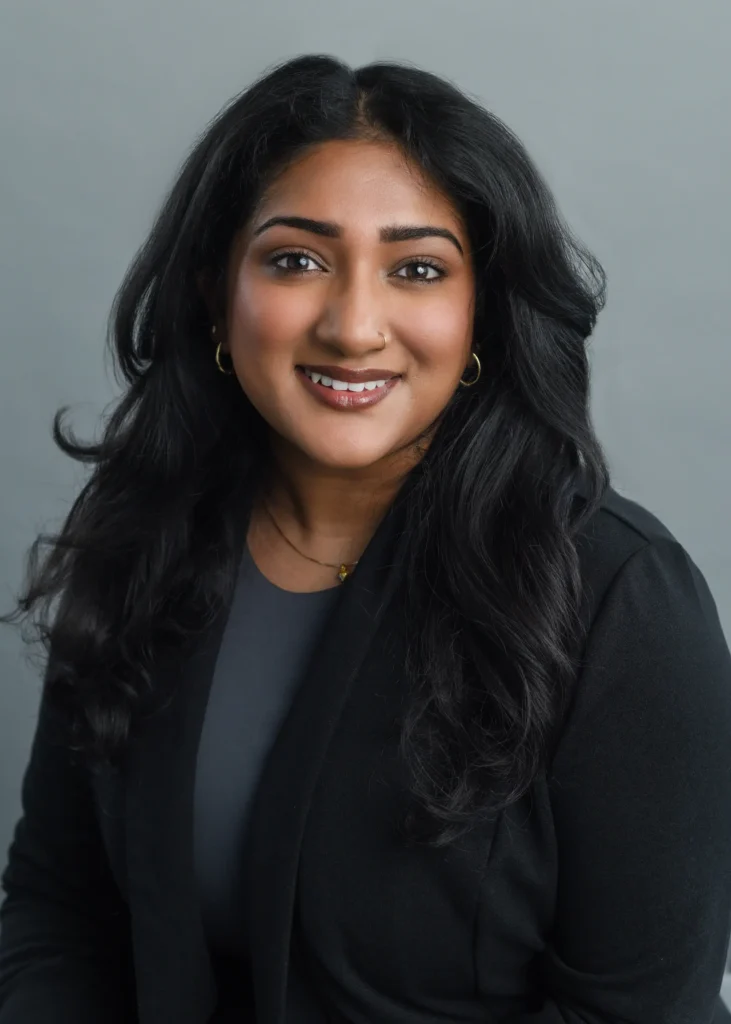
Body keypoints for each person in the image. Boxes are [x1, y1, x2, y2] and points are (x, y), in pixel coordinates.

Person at [0, 52, 730, 1024]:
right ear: (219, 292)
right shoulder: (139, 542)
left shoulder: (616, 596)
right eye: (296, 260)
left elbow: (643, 1011)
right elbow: (59, 912)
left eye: (416, 268)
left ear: (479, 316)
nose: (352, 325)